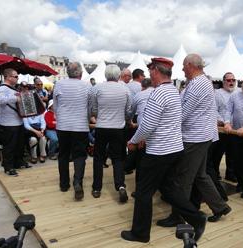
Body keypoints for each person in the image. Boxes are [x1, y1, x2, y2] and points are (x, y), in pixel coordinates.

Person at [121, 57, 206, 243]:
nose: (149, 73)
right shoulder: (173, 91)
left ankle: (140, 233)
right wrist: (144, 138)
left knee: (143, 192)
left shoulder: (158, 93)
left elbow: (148, 124)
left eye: (150, 69)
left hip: (159, 152)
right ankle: (196, 217)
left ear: (155, 71)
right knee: (169, 190)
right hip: (174, 149)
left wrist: (134, 141)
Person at [157, 54, 231, 226]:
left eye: (183, 66)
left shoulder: (198, 84)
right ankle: (220, 207)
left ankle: (178, 217)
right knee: (200, 175)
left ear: (190, 65)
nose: (182, 69)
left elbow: (183, 112)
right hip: (202, 136)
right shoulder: (201, 82)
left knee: (183, 180)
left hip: (195, 138)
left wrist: (165, 126)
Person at [89, 64, 132, 202]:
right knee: (118, 158)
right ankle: (120, 186)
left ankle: (97, 188)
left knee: (98, 158)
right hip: (118, 128)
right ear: (119, 75)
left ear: (106, 75)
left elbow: (94, 110)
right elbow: (128, 111)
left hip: (102, 126)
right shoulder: (125, 89)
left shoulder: (97, 88)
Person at [53, 62, 92, 200]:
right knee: (79, 155)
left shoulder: (59, 84)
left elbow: (55, 107)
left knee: (63, 154)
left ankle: (64, 184)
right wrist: (86, 120)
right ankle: (77, 182)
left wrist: (61, 118)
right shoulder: (87, 85)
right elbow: (90, 108)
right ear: (80, 73)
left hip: (63, 125)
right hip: (80, 126)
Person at [0, 69, 27, 176]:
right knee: (9, 147)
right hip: (8, 123)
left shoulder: (13, 88)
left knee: (19, 145)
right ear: (8, 77)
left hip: (18, 121)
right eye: (16, 76)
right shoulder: (2, 88)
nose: (17, 78)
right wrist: (15, 98)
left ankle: (18, 163)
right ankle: (8, 167)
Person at [211, 72, 237, 182]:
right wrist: (222, 122)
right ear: (223, 81)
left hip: (234, 130)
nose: (231, 82)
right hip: (221, 129)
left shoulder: (238, 93)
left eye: (233, 80)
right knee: (218, 153)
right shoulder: (217, 93)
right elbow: (213, 109)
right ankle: (215, 173)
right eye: (228, 80)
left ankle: (230, 174)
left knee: (232, 154)